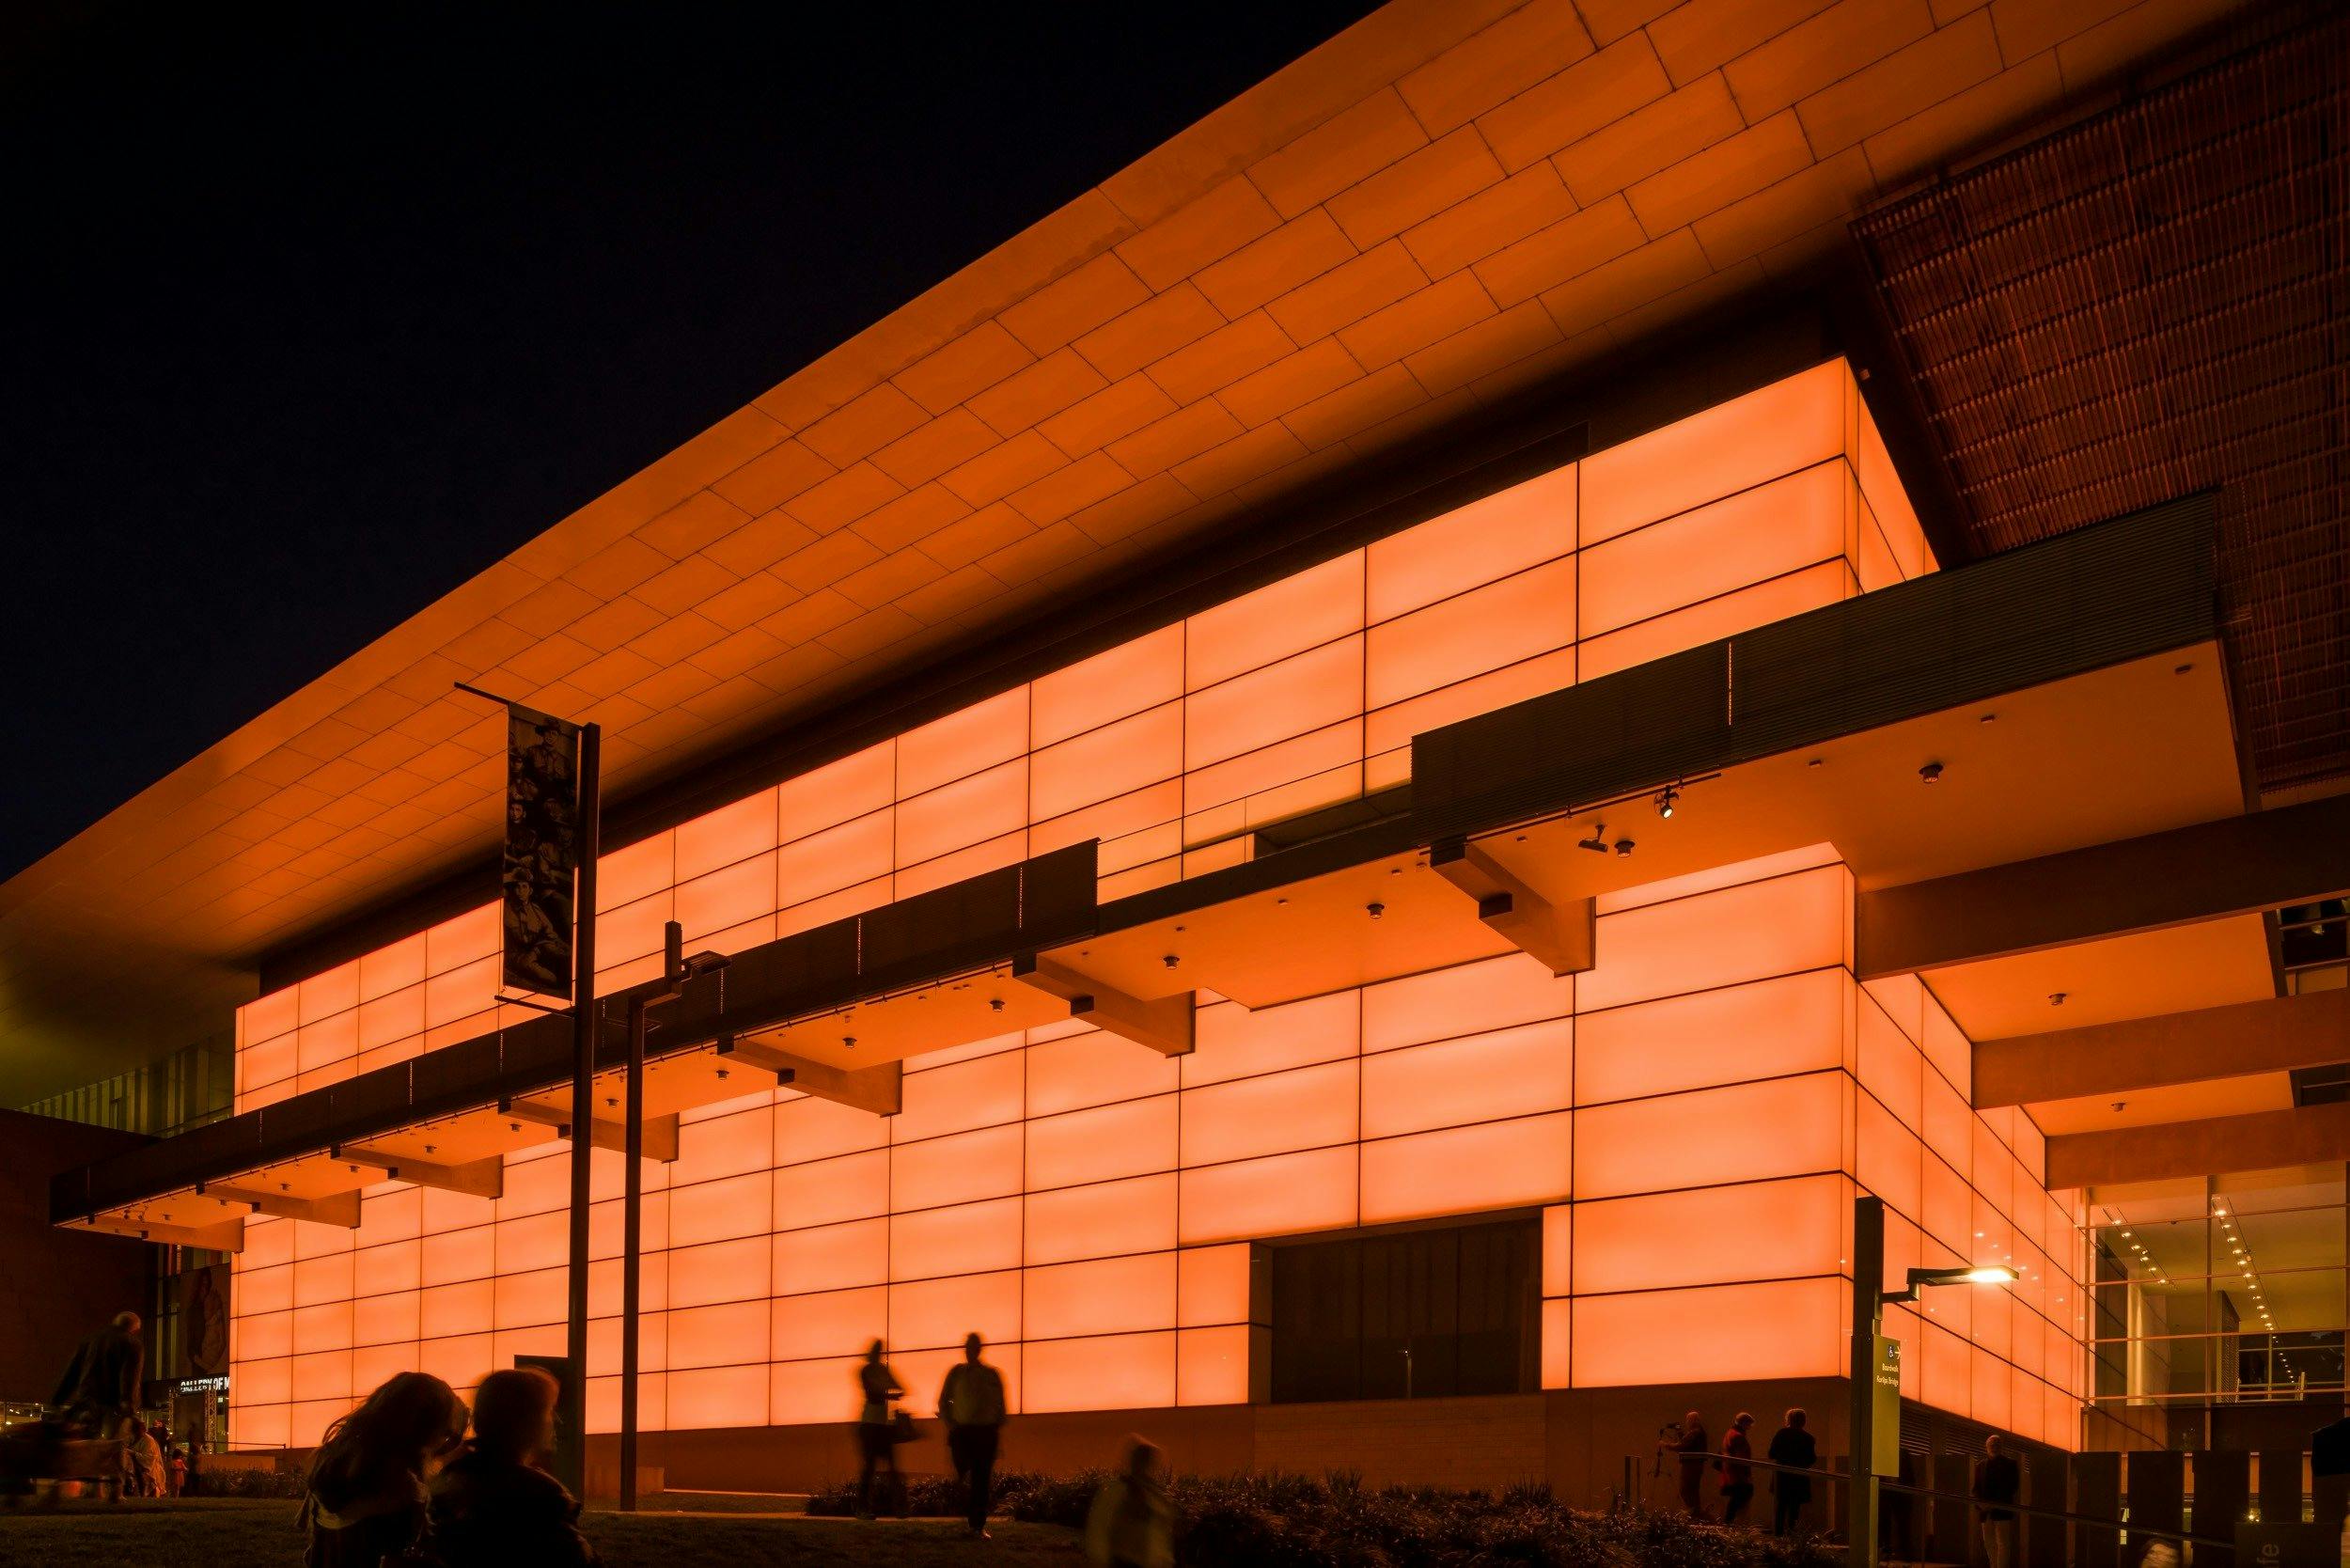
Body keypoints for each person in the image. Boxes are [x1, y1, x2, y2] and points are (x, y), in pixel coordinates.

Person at [430, 1367, 597, 1567]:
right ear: (526, 1421)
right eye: (549, 1410)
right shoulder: (542, 1497)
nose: (557, 1420)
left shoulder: (451, 1479)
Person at [300, 1371, 468, 1568]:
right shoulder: (404, 1491)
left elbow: (312, 1546)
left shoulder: (327, 1464)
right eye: (445, 1433)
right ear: (425, 1431)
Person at [939, 1332, 1009, 1537]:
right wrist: (951, 1422)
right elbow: (944, 1399)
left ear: (978, 1349)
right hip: (963, 1431)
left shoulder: (991, 1375)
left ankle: (977, 1525)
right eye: (967, 1347)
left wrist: (997, 1421)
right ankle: (969, 1515)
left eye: (973, 1347)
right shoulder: (956, 1373)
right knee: (966, 1472)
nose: (969, 1351)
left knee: (981, 1478)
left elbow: (1000, 1402)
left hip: (985, 1431)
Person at [1084, 1437, 1173, 1568]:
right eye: (1143, 1460)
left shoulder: (1156, 1495)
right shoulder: (1116, 1491)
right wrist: (1099, 1557)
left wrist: (1165, 1559)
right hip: (1122, 1561)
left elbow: (1160, 1533)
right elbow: (1099, 1525)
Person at [52, 1310, 144, 1437]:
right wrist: (130, 1410)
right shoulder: (132, 1344)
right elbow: (129, 1379)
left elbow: (72, 1372)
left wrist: (58, 1399)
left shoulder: (90, 1340)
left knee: (83, 1441)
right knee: (112, 1445)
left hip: (86, 1402)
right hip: (112, 1406)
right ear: (133, 1329)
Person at [854, 1339, 904, 1520]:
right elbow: (872, 1392)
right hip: (870, 1424)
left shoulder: (881, 1370)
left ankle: (898, 1507)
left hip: (882, 1424)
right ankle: (863, 1508)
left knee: (890, 1467)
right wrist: (890, 1392)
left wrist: (891, 1390)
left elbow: (897, 1386)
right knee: (870, 1467)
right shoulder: (866, 1370)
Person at [1973, 1433, 2021, 1568]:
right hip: (1985, 1511)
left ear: (2001, 1447)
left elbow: (2012, 1487)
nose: (1994, 1447)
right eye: (1992, 1445)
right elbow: (1976, 1488)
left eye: (1997, 1444)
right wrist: (1980, 1503)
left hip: (2001, 1509)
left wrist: (1993, 1504)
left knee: (2003, 1543)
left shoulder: (2010, 1464)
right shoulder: (1980, 1465)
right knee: (1988, 1542)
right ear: (1986, 1447)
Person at [1764, 1408, 1816, 1535]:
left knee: (1780, 1507)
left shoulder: (1782, 1434)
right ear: (1803, 1421)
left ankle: (1778, 1536)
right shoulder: (1808, 1438)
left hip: (1782, 1476)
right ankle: (1791, 1536)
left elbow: (1771, 1454)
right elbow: (1811, 1459)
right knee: (1794, 1509)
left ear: (1789, 1419)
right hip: (1799, 1477)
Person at [1664, 1410, 1708, 1517]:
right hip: (1695, 1465)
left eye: (1688, 1420)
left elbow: (1683, 1445)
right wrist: (1678, 1430)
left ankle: (1694, 1511)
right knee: (1693, 1490)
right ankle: (1697, 1512)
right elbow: (1686, 1442)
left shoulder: (1695, 1432)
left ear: (1692, 1420)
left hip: (1691, 1465)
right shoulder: (1698, 1432)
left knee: (1685, 1489)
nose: (1687, 1422)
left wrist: (1666, 1445)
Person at [1717, 1411, 1756, 1526]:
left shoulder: (1730, 1433)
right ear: (1744, 1424)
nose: (1749, 1428)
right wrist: (1746, 1476)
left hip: (1730, 1473)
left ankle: (1729, 1523)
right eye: (1749, 1425)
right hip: (1738, 1475)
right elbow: (1741, 1459)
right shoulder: (1738, 1437)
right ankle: (1732, 1523)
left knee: (1735, 1500)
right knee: (1741, 1498)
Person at [122, 1417, 165, 1497]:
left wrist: (132, 1453)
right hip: (132, 1470)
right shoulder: (131, 1438)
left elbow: (149, 1458)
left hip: (146, 1471)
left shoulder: (149, 1440)